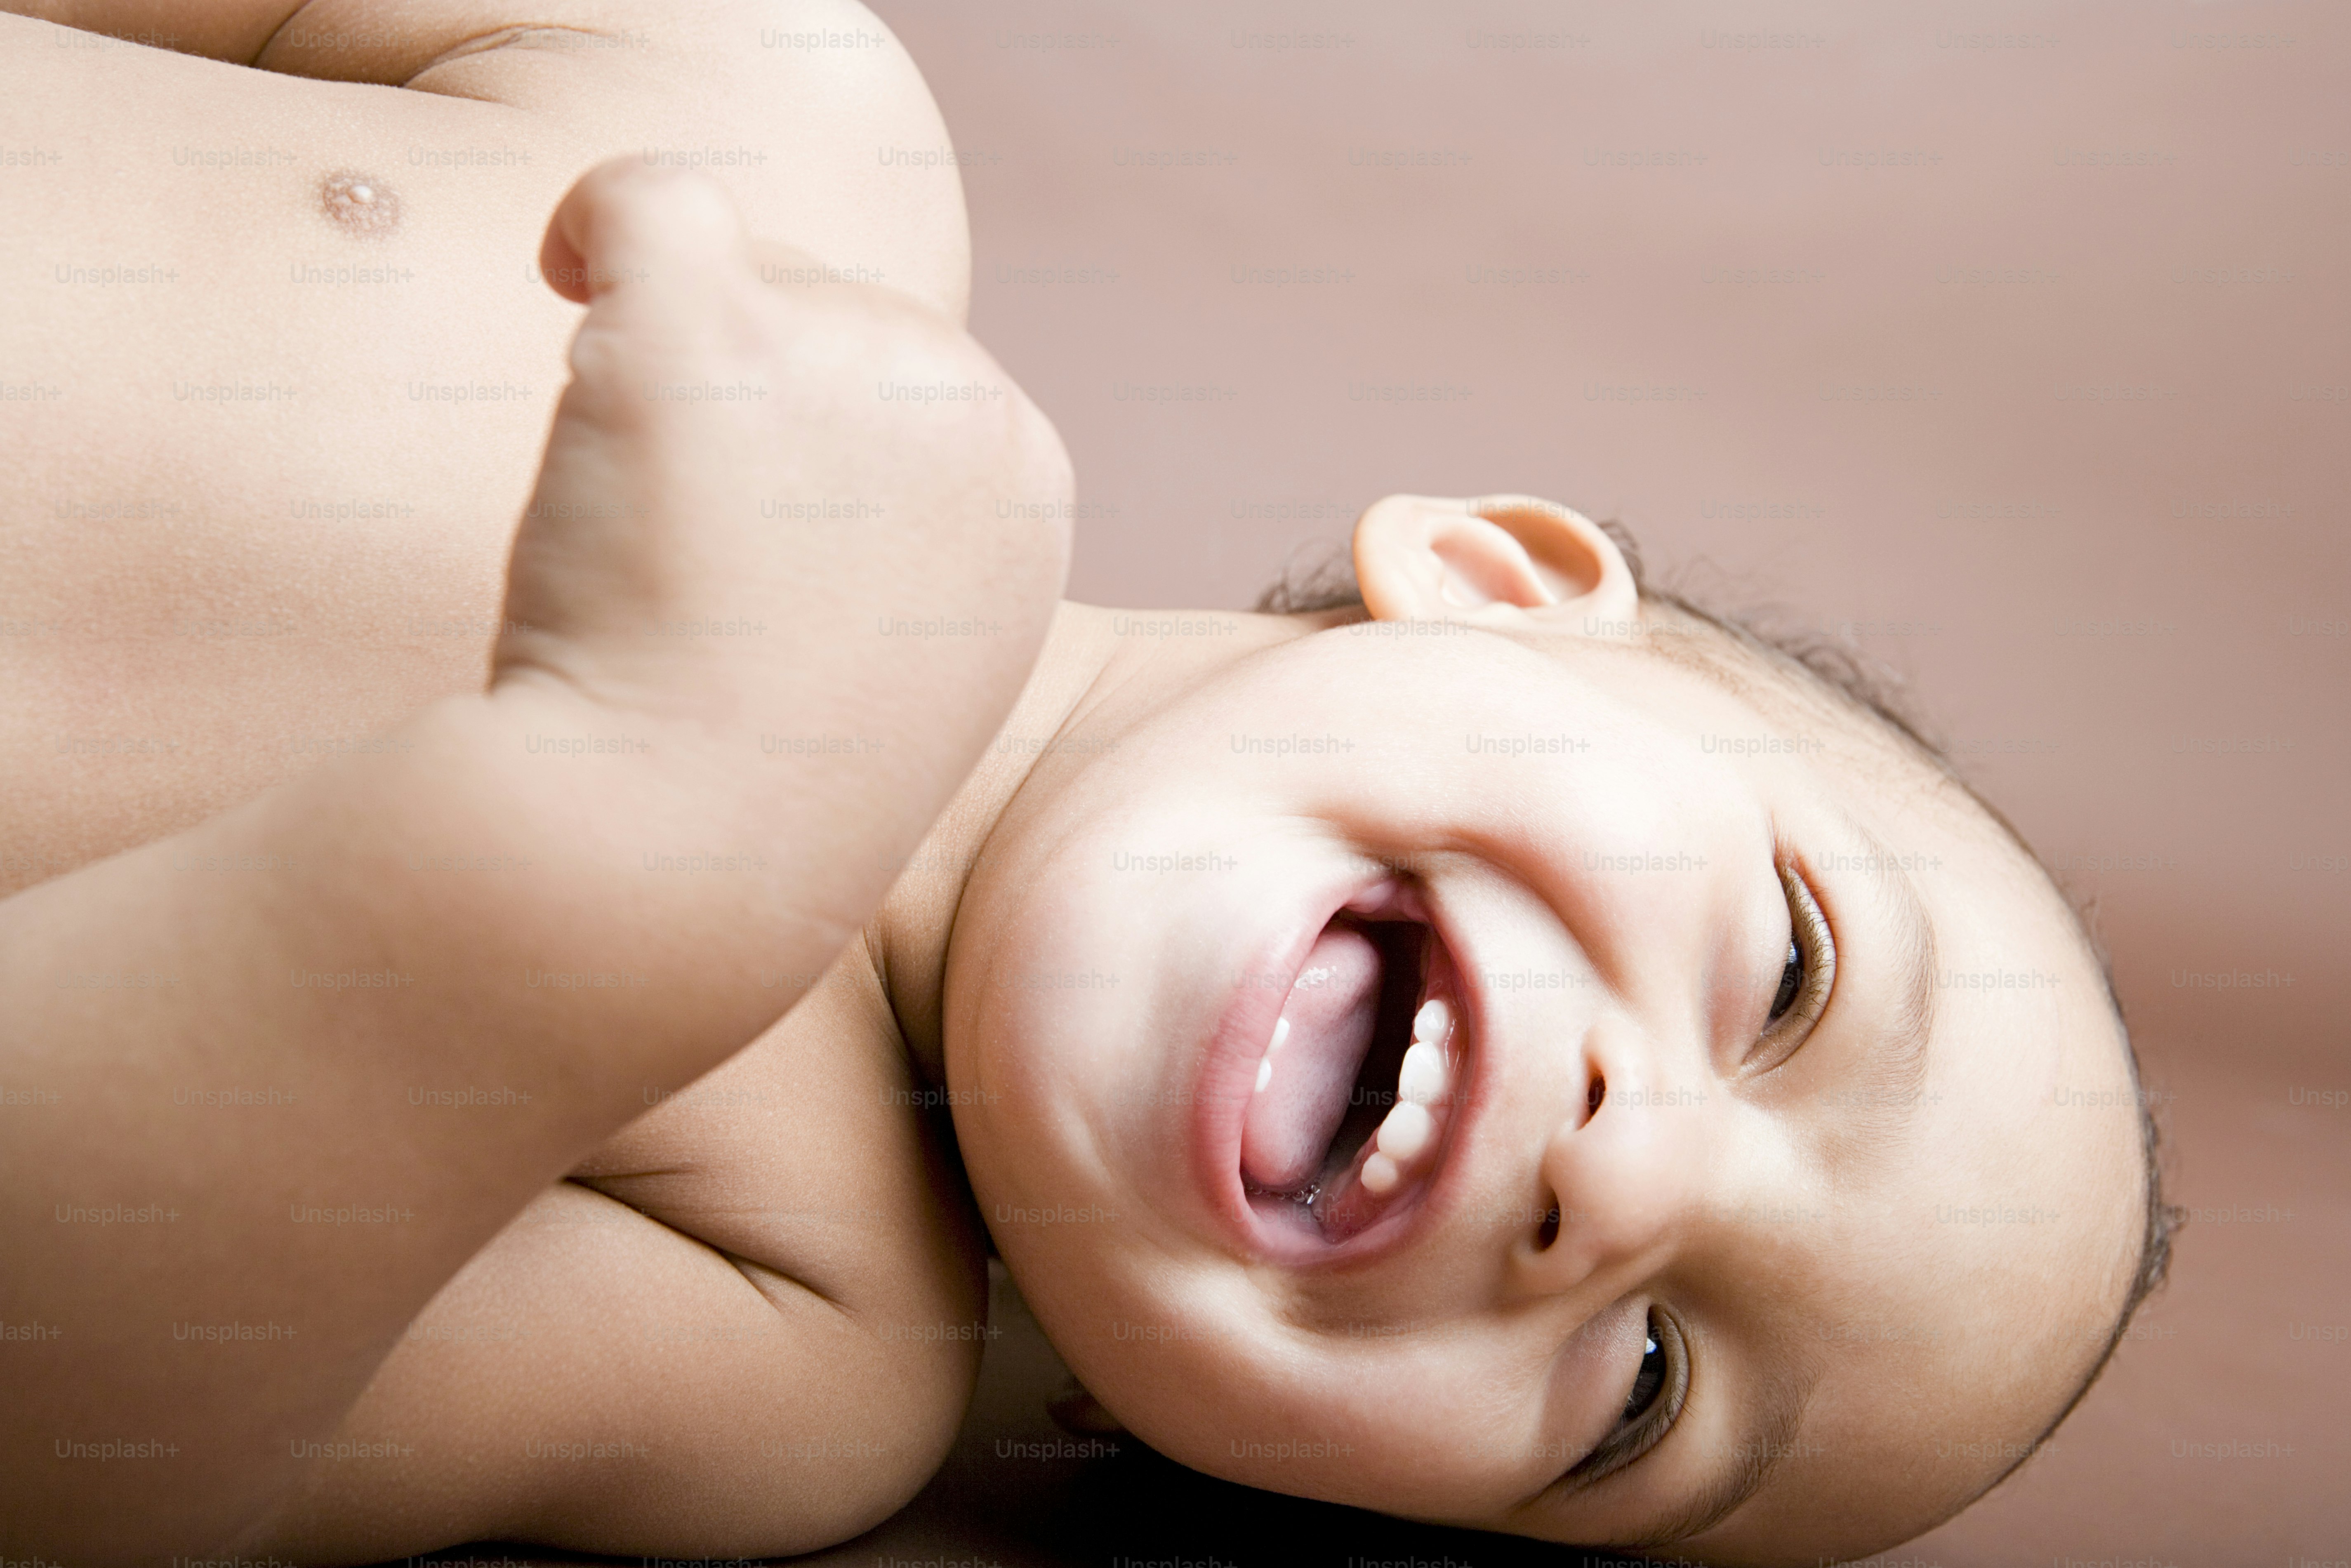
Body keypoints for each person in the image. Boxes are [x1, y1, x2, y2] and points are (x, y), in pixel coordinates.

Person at [0, 6, 2172, 1563]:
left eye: (1640, 1399)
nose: (1631, 1185)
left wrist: (627, 833)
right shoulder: (783, 128)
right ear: (1495, 588)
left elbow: (58, 1427)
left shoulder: (779, 1344)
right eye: (1790, 971)